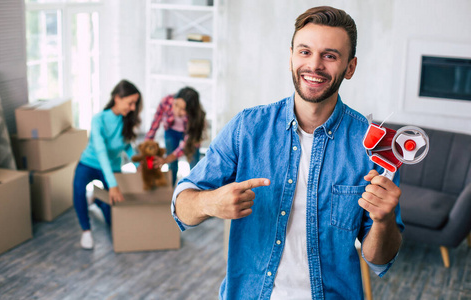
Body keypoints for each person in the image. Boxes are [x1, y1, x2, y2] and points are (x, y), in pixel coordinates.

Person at [171, 6, 404, 299]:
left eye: (330, 55)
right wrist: (209, 202)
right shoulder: (248, 127)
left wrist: (384, 220)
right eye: (305, 52)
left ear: (350, 67)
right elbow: (181, 206)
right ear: (291, 56)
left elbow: (379, 258)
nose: (315, 65)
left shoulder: (374, 147)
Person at [73, 79, 142, 250]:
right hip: (89, 163)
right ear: (117, 98)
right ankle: (86, 231)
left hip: (112, 167)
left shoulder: (126, 120)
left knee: (114, 213)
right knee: (78, 188)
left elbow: (126, 146)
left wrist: (137, 164)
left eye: (135, 104)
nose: (133, 108)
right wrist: (112, 185)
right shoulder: (98, 120)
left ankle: (98, 199)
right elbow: (101, 152)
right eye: (130, 103)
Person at [145, 87, 206, 186]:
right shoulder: (166, 101)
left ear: (190, 110)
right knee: (172, 165)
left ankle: (196, 187)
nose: (176, 111)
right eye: (176, 105)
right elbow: (154, 126)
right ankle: (171, 189)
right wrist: (146, 149)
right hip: (171, 131)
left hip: (190, 136)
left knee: (194, 163)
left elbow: (185, 145)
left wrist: (165, 159)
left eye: (183, 109)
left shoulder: (196, 118)